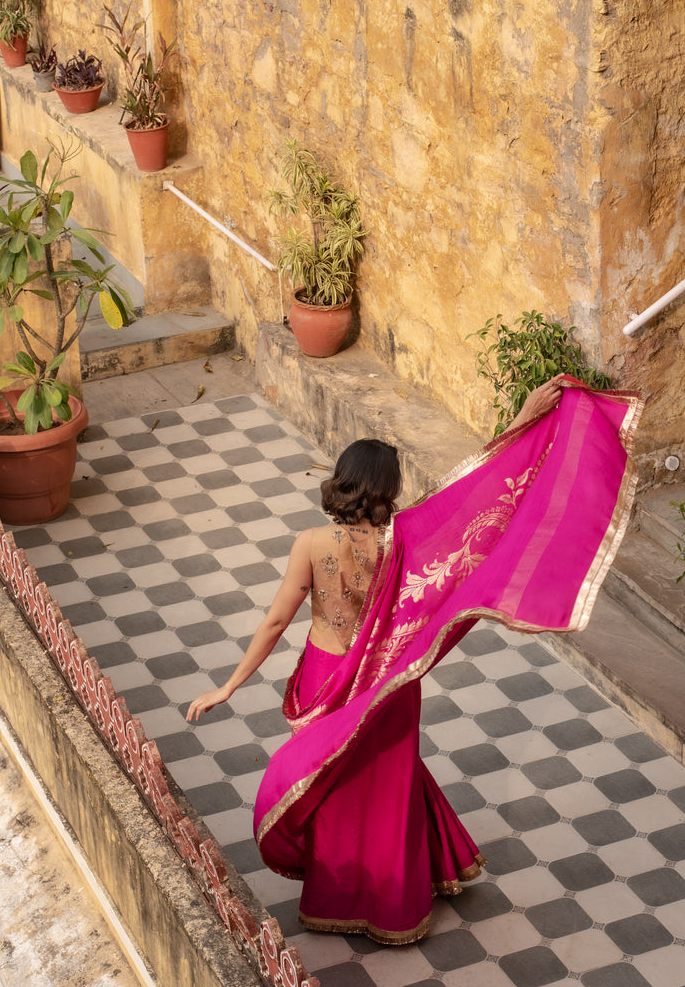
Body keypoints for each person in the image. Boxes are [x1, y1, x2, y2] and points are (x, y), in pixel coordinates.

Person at [188, 373, 641, 943]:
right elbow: (480, 500)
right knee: (389, 783)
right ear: (388, 490)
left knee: (335, 786)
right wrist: (525, 422)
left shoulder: (310, 544)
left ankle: (341, 896)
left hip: (328, 677)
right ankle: (398, 904)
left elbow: (277, 621)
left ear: (343, 481)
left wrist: (227, 686)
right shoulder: (401, 541)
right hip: (388, 682)